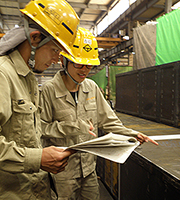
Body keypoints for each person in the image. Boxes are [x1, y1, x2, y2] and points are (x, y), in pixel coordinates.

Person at [40, 27, 158, 200]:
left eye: (89, 65)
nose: (84, 70)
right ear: (63, 61)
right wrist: (72, 127)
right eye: (79, 64)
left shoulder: (91, 87)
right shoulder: (48, 91)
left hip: (88, 169)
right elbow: (41, 129)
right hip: (62, 172)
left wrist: (133, 134)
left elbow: (109, 122)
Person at [0, 0, 79, 199]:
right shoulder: (3, 74)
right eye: (55, 50)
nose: (56, 60)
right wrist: (37, 158)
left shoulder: (29, 79)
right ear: (35, 38)